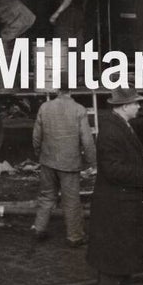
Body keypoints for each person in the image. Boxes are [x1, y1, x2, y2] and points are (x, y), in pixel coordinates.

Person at [87, 87, 143, 285]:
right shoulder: (111, 131)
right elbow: (113, 170)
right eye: (136, 103)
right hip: (115, 206)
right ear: (125, 106)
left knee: (126, 252)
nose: (139, 106)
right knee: (112, 255)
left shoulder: (121, 125)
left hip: (124, 204)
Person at [31, 74, 96, 247]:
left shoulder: (45, 107)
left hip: (47, 160)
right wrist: (92, 162)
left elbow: (36, 136)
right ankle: (75, 236)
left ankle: (39, 228)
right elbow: (87, 140)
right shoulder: (79, 109)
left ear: (57, 89)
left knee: (46, 196)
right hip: (69, 163)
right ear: (71, 89)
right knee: (71, 201)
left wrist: (39, 153)